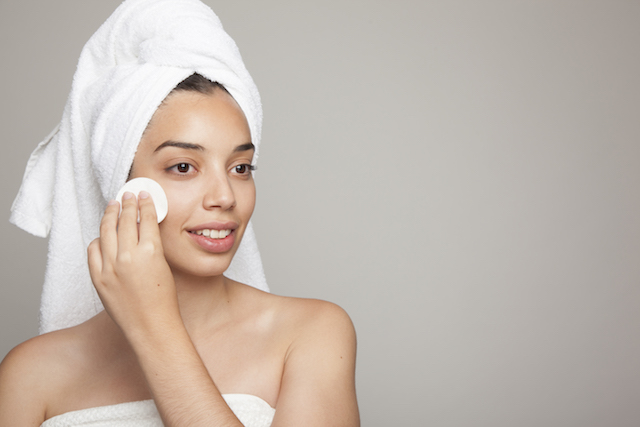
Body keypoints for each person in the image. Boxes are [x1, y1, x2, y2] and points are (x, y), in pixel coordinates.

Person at [0, 1, 359, 426]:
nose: (225, 196)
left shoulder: (311, 334)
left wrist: (155, 328)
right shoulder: (31, 374)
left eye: (240, 168)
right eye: (184, 167)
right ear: (122, 184)